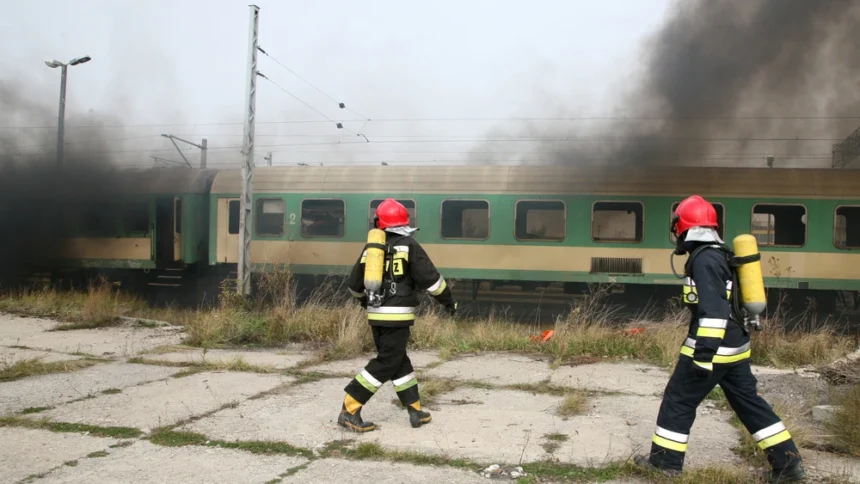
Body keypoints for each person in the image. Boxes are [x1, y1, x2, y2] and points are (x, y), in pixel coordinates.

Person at [633, 195, 806, 483]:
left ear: (683, 227)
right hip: (735, 348)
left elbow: (713, 312)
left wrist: (702, 355)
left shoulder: (705, 260)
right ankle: (788, 465)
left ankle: (665, 463)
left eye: (677, 227)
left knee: (678, 400)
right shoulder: (720, 252)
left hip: (713, 350)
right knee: (750, 404)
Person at [337, 198, 458, 432]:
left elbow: (354, 286)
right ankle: (349, 410)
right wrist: (449, 302)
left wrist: (366, 303)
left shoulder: (371, 250)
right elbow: (431, 280)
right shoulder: (409, 245)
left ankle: (415, 411)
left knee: (399, 361)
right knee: (386, 362)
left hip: (376, 315)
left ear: (379, 223)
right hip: (398, 316)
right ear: (405, 222)